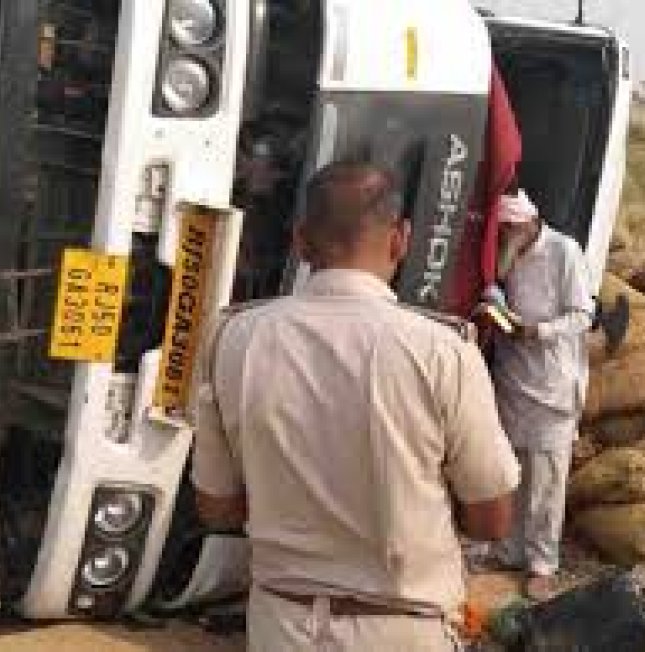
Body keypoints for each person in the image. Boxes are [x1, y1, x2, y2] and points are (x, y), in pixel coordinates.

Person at [191, 161, 521, 652]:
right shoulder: (442, 351)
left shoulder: (233, 338)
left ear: (301, 241)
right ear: (401, 239)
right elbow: (491, 520)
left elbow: (217, 508)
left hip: (281, 626)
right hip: (402, 630)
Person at [490, 188, 594, 601]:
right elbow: (499, 287)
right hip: (514, 373)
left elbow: (583, 315)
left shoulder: (563, 251)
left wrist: (540, 331)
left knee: (546, 480)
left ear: (529, 224)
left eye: (511, 231)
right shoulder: (507, 254)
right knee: (511, 470)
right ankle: (508, 549)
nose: (507, 238)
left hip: (552, 380)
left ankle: (542, 564)